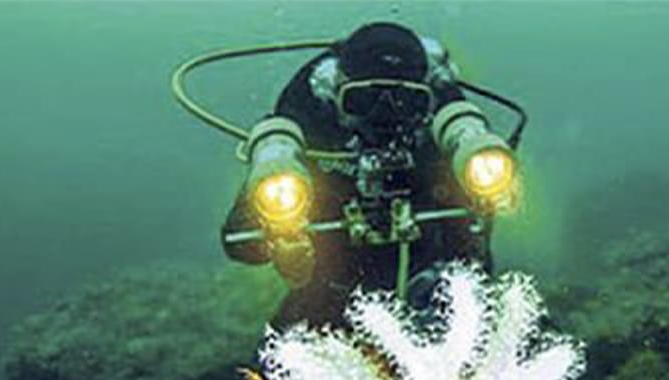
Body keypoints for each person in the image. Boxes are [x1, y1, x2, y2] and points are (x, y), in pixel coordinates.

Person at [220, 22, 519, 327]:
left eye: (404, 102)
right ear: (336, 92)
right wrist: (277, 239)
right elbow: (237, 240)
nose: (383, 115)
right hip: (333, 292)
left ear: (426, 103)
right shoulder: (314, 127)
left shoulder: (440, 139)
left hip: (435, 286)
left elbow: (474, 243)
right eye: (362, 100)